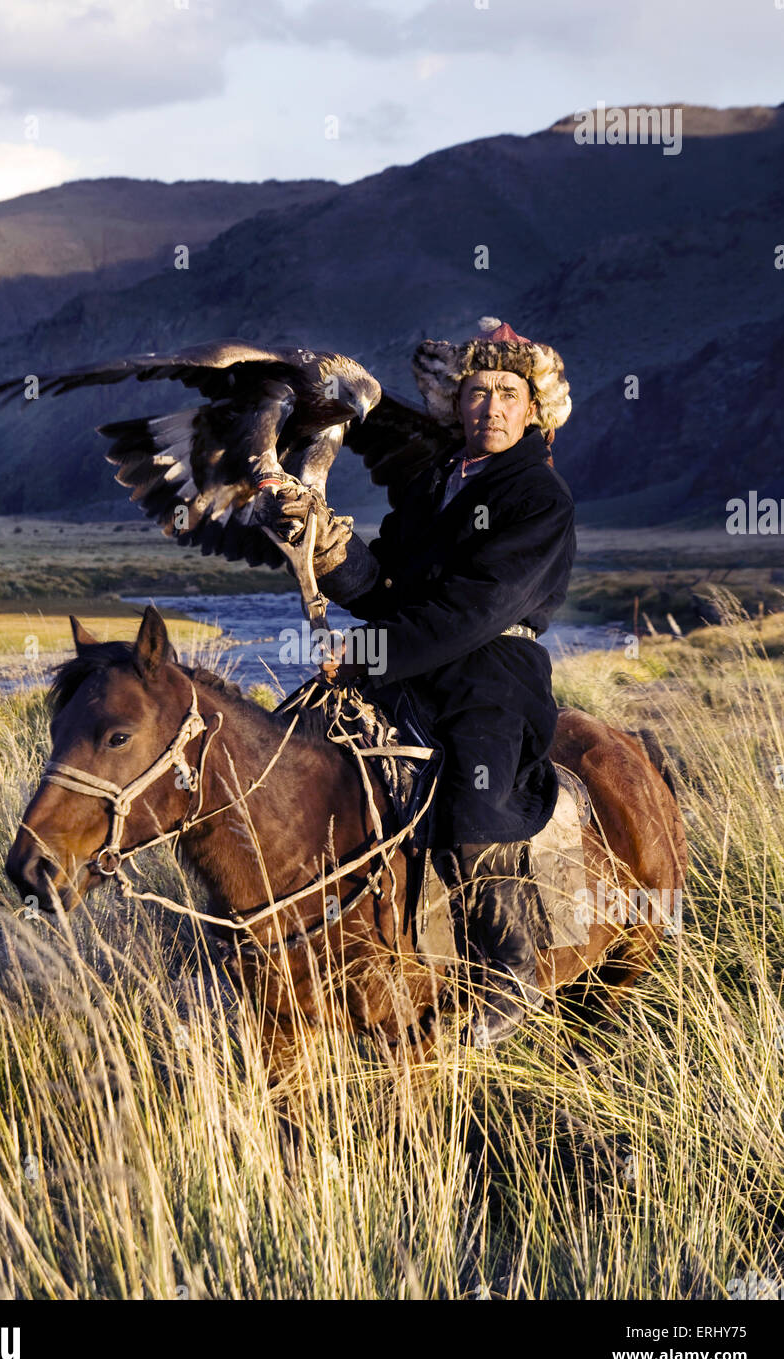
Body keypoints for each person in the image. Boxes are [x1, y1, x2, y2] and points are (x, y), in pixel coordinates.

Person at [272, 318, 576, 1045]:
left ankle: (509, 969)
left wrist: (368, 655)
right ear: (456, 403)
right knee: (301, 743)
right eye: (477, 393)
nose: (491, 409)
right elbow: (389, 590)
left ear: (533, 407)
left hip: (492, 675)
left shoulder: (538, 496)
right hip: (411, 660)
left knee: (477, 799)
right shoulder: (437, 484)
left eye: (508, 393)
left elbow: (474, 611)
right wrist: (330, 552)